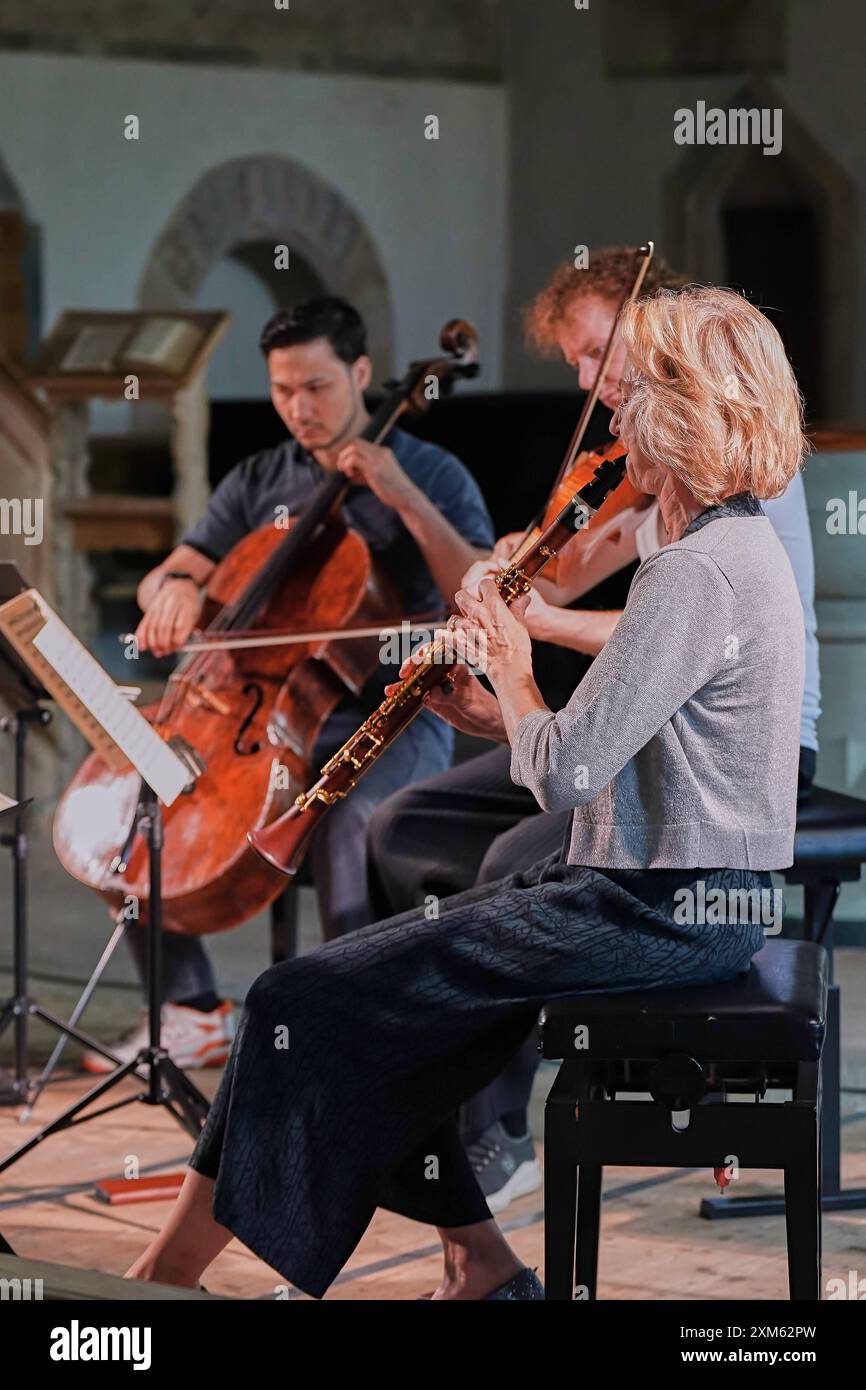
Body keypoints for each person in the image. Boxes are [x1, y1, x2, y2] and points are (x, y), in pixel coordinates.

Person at [128, 284, 805, 1300]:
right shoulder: (712, 548)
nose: (611, 415)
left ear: (685, 409)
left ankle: (163, 1281)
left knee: (290, 999)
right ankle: (479, 1268)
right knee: (380, 1030)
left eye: (632, 399)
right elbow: (603, 747)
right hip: (644, 892)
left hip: (653, 909)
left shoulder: (697, 569)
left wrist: (510, 658)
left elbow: (566, 775)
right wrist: (496, 713)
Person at [367, 248, 821, 1212]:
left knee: (503, 873)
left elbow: (661, 659)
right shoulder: (672, 505)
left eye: (595, 359)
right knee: (406, 824)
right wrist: (509, 652)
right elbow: (599, 623)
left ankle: (495, 1132)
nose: (594, 395)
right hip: (645, 755)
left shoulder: (719, 534)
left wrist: (519, 647)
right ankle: (440, 1111)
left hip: (719, 791)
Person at [82, 297, 493, 1075]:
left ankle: (349, 1033)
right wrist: (169, 588)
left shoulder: (430, 469)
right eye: (282, 391)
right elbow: (186, 565)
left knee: (346, 821)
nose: (299, 409)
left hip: (392, 715)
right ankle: (193, 1008)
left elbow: (477, 583)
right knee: (143, 797)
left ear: (362, 375)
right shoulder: (257, 478)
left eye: (317, 388)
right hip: (261, 710)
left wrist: (401, 492)